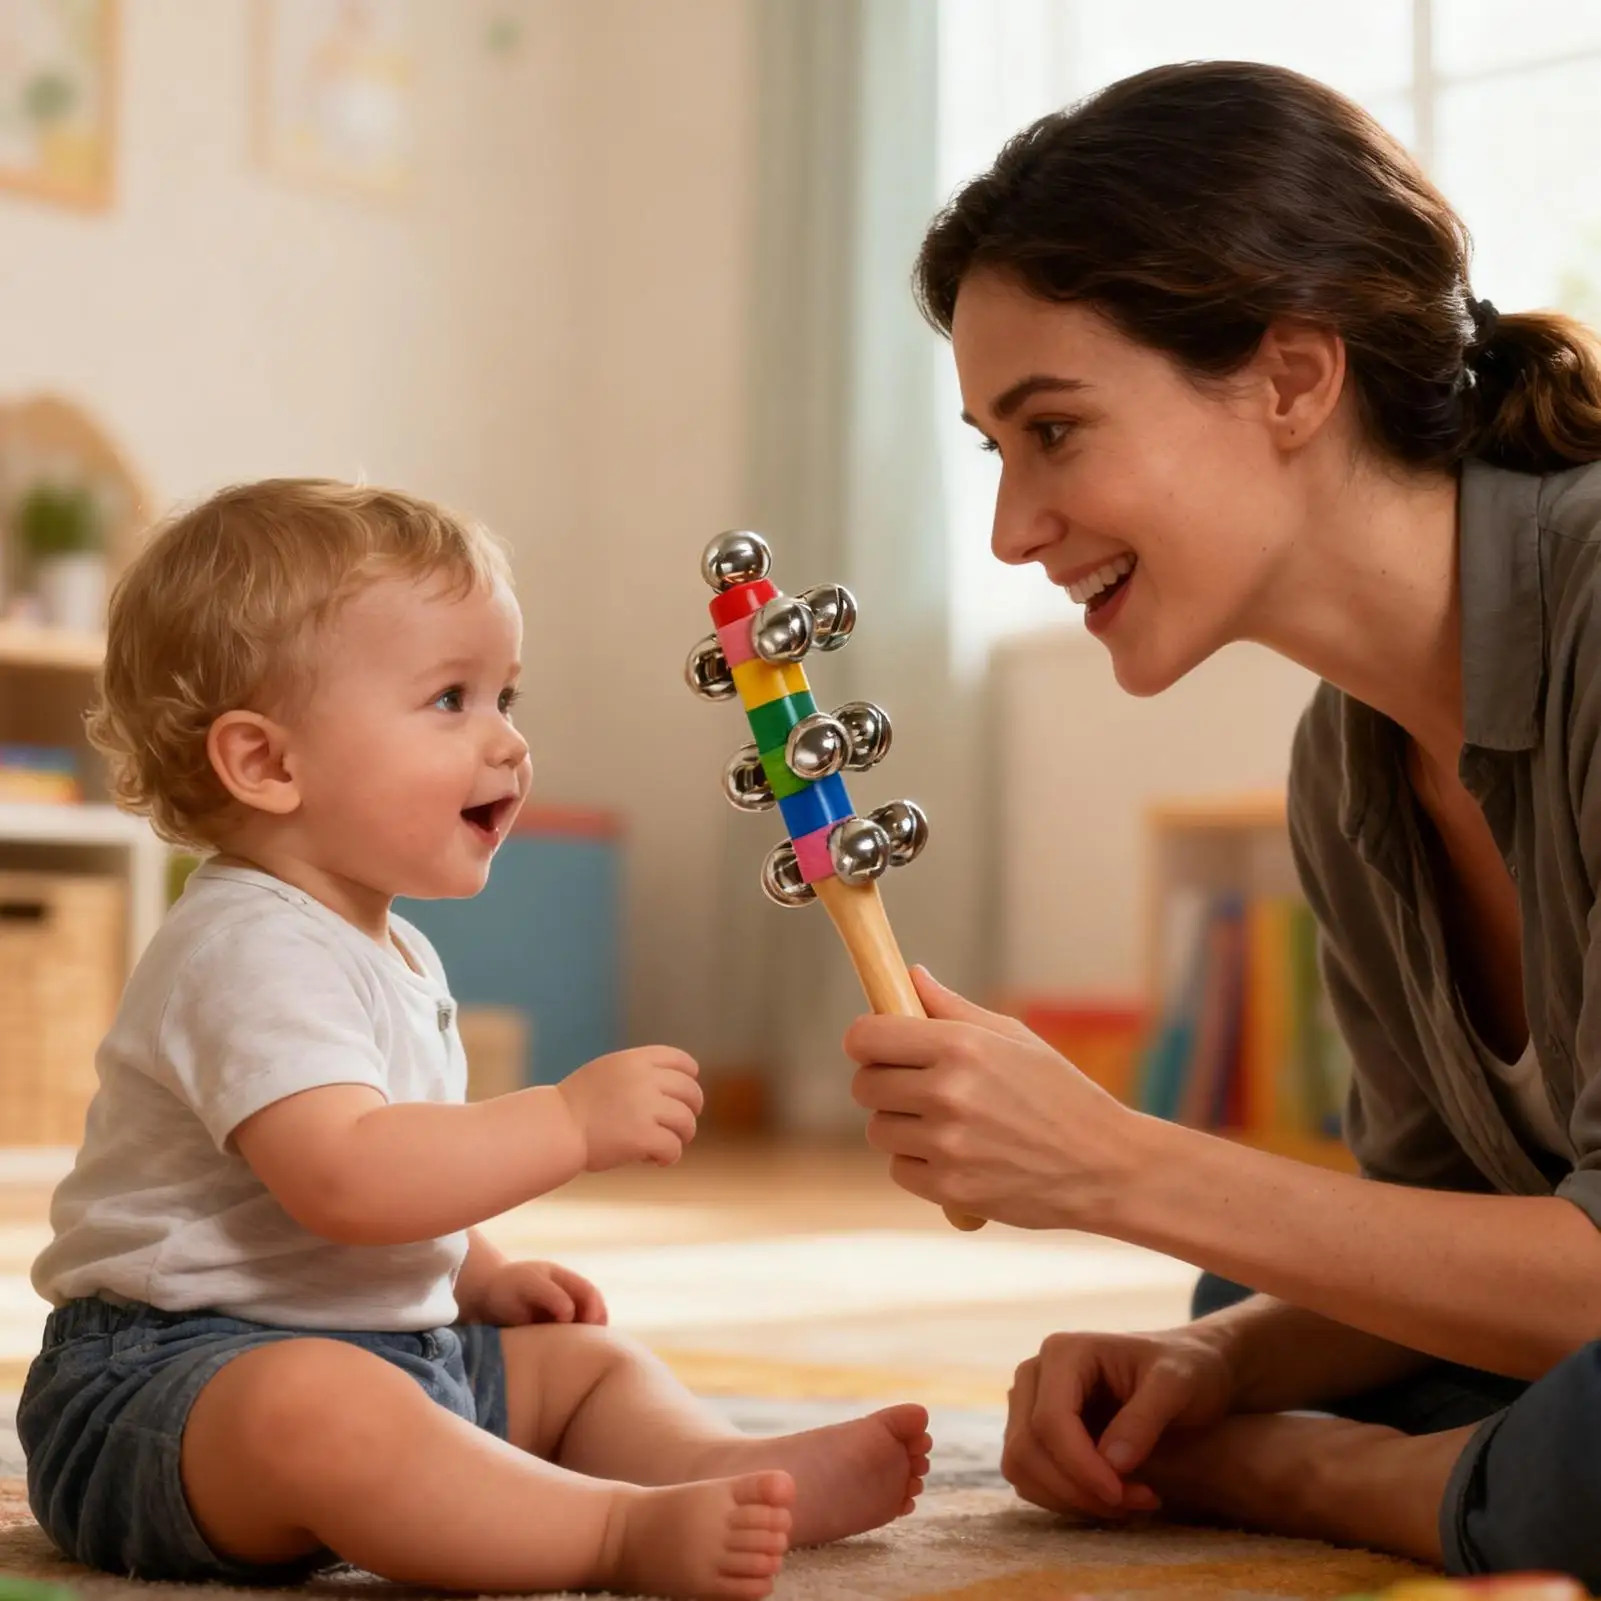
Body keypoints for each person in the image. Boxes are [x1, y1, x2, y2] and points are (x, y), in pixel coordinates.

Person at [843, 60, 1601, 1585]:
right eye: (995, 450)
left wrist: (1116, 1165)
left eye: (1054, 429)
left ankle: (1357, 1483)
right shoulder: (1349, 764)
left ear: (1292, 378)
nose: (1009, 530)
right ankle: (1446, 1468)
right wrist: (1225, 1370)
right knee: (1224, 1308)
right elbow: (1443, 1222)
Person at [20, 479, 930, 1600]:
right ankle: (610, 1532)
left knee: (576, 1366)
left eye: (506, 695)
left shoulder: (389, 946)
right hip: (165, 1390)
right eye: (450, 699)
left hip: (388, 1352)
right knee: (324, 1405)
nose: (507, 741)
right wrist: (562, 1119)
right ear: (266, 763)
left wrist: (476, 1269)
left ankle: (713, 1463)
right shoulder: (243, 946)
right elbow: (346, 1176)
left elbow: (389, 1174)